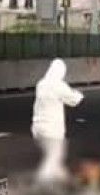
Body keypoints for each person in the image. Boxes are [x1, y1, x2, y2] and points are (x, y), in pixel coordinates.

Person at [31, 58, 84, 187]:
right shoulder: (59, 85)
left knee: (55, 156)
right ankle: (42, 181)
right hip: (52, 129)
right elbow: (74, 100)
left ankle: (63, 178)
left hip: (37, 128)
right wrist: (79, 93)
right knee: (54, 156)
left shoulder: (41, 83)